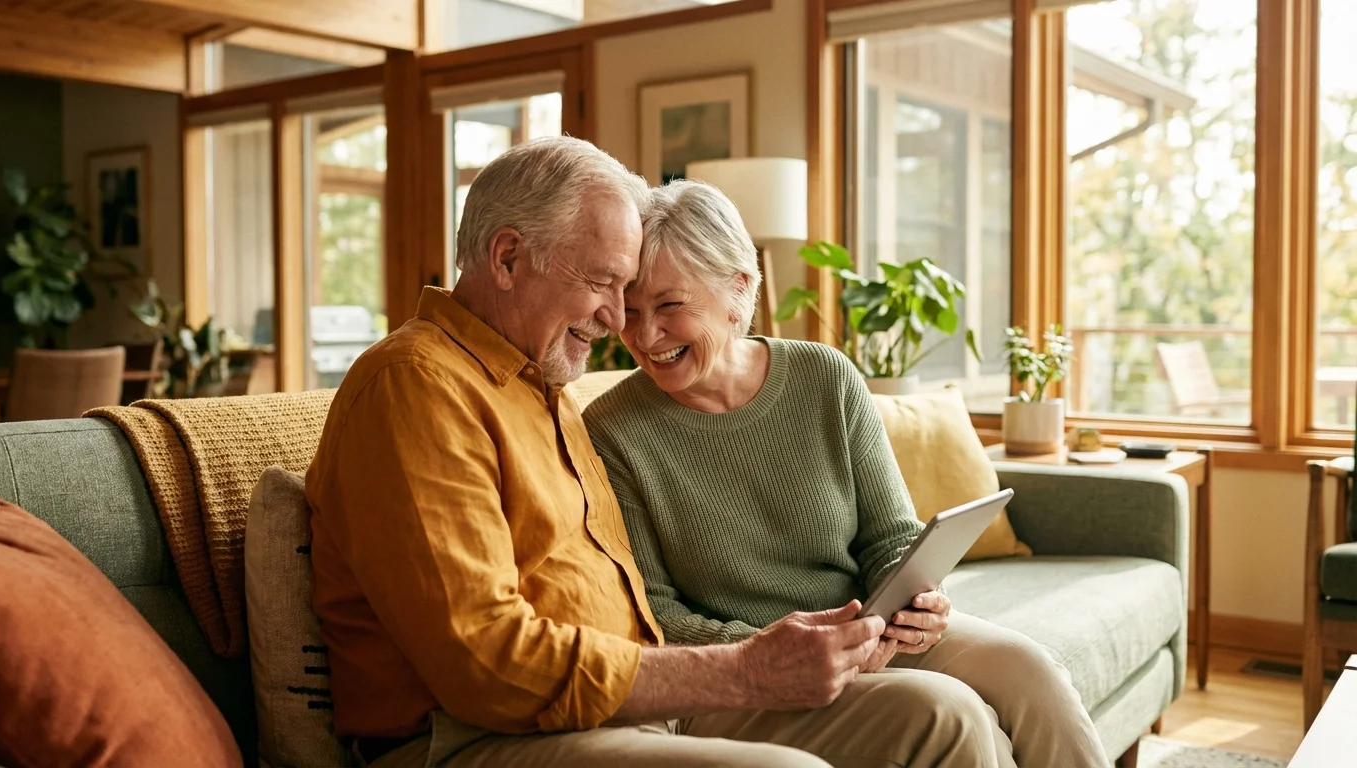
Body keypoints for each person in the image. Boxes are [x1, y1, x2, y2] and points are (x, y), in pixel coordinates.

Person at [306, 136, 1002, 768]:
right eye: (605, 283)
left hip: (636, 708)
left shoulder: (540, 389)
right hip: (478, 738)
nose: (618, 323)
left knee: (943, 717)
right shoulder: (415, 386)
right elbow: (487, 664)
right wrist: (745, 669)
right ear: (508, 258)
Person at [583, 179, 1112, 768]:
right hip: (754, 666)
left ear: (738, 289)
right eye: (630, 312)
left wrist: (919, 601)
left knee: (1034, 673)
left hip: (871, 628)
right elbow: (655, 614)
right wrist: (769, 651)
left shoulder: (824, 377)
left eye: (670, 306)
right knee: (955, 711)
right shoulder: (611, 430)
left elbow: (890, 537)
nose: (645, 336)